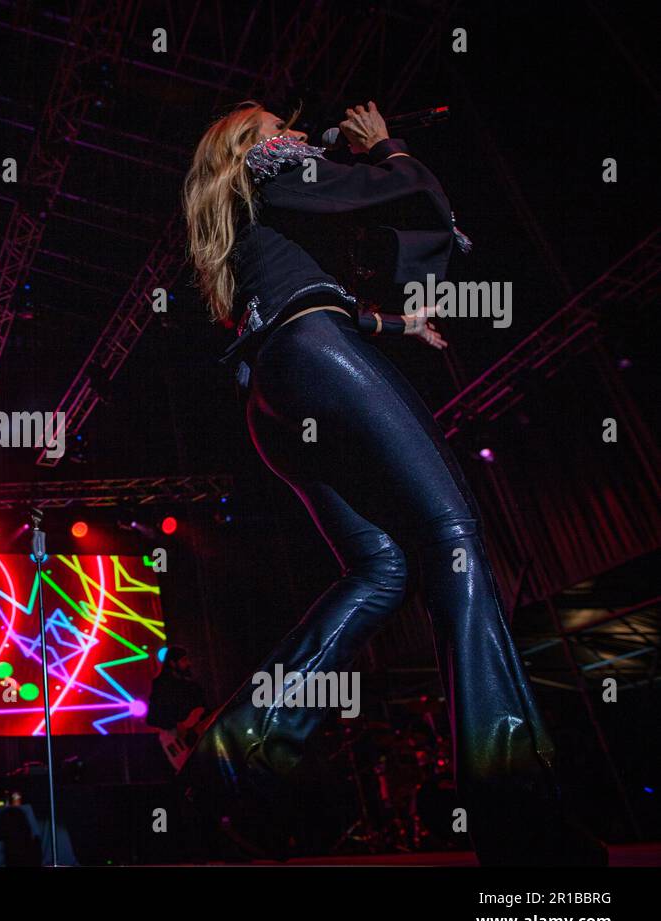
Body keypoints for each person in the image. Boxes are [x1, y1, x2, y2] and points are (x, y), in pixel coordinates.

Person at [179, 100, 605, 865]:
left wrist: (398, 327)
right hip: (317, 356)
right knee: (454, 541)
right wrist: (385, 147)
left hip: (276, 390)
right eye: (282, 124)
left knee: (383, 570)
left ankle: (239, 751)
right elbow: (395, 195)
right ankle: (518, 809)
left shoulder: (247, 215)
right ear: (250, 143)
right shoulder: (270, 165)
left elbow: (311, 300)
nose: (299, 134)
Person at [145, 646, 208, 732]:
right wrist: (176, 725)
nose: (188, 663)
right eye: (184, 660)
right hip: (177, 736)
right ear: (172, 663)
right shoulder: (161, 685)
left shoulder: (192, 685)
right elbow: (153, 718)